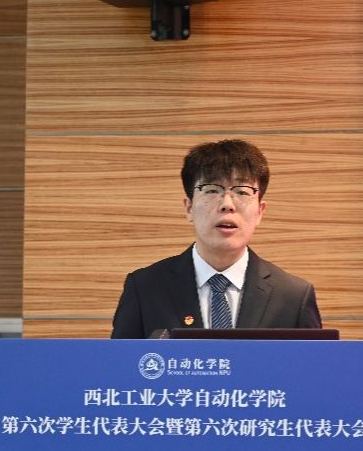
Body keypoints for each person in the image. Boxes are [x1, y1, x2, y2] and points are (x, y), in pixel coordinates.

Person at [111, 139, 322, 338]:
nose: (227, 204)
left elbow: (312, 365)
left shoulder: (293, 296)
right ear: (189, 208)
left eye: (242, 192)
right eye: (212, 190)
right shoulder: (145, 288)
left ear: (260, 211)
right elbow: (120, 363)